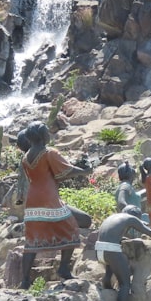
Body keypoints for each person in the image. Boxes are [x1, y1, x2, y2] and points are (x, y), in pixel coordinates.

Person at [19, 120, 90, 288]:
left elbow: (51, 175)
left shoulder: (25, 156)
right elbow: (67, 170)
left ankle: (24, 281)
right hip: (48, 198)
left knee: (31, 240)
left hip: (33, 199)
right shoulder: (49, 152)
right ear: (43, 135)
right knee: (71, 227)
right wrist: (85, 171)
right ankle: (63, 268)